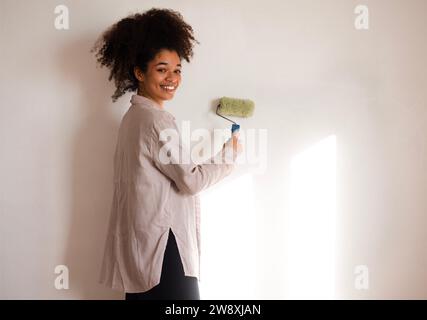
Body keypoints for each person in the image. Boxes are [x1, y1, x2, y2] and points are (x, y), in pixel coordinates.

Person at [92, 8, 242, 300]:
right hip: (164, 251)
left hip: (140, 252)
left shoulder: (131, 120)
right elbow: (192, 181)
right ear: (139, 72)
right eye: (162, 69)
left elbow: (171, 173)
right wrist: (229, 154)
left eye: (177, 70)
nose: (172, 78)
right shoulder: (157, 121)